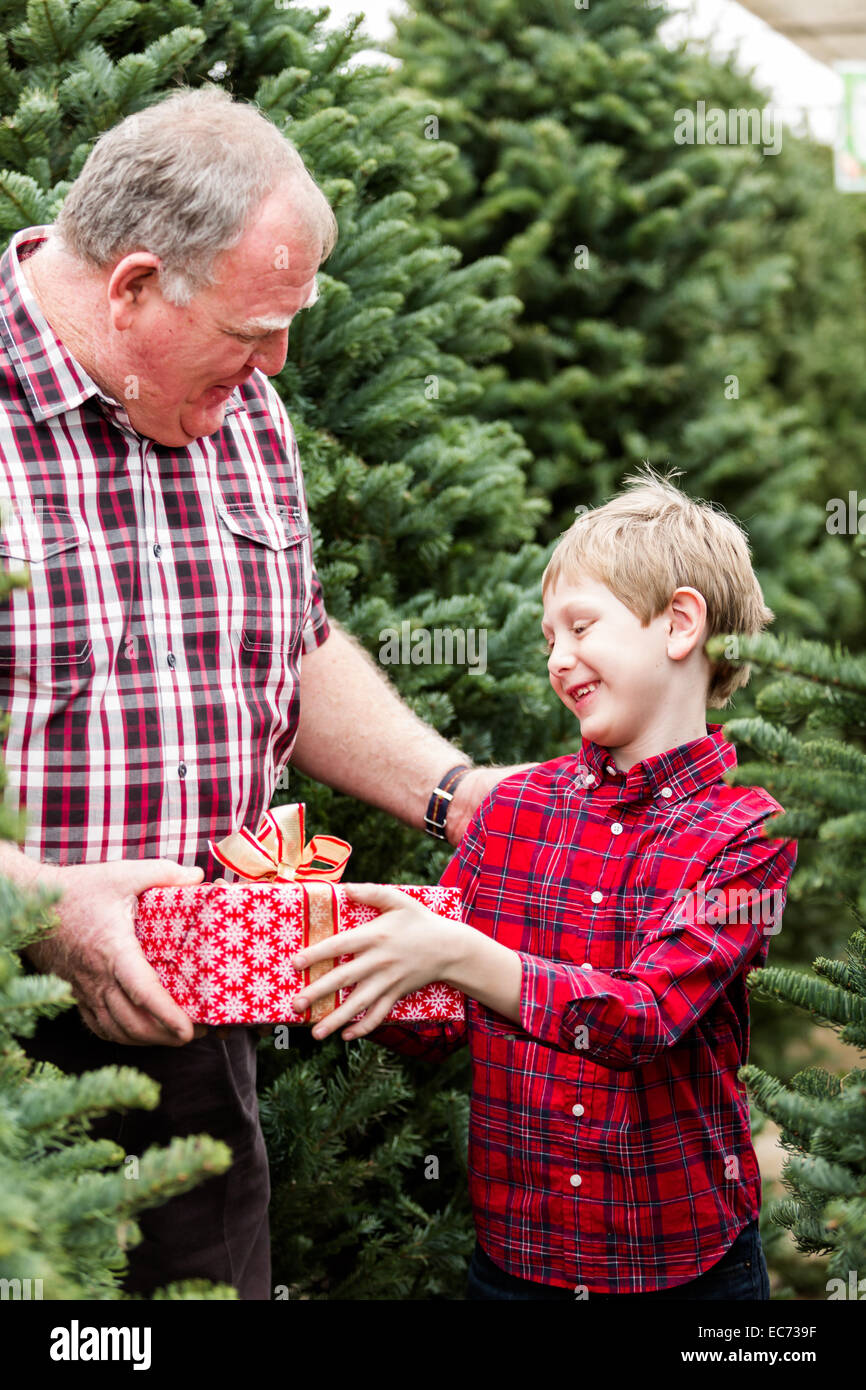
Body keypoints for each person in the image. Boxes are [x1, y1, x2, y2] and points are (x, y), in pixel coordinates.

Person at [0, 86, 527, 1299]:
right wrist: (42, 904)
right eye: (253, 326)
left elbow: (286, 641)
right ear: (132, 287)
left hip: (182, 1033)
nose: (279, 360)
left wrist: (454, 794)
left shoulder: (239, 409)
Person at [291, 467, 799, 1301]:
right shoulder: (513, 809)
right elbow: (442, 1019)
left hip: (680, 1273)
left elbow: (645, 1018)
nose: (558, 660)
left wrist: (457, 950)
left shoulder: (745, 837)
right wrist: (326, 953)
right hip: (517, 1265)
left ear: (679, 624)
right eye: (547, 638)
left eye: (581, 627)